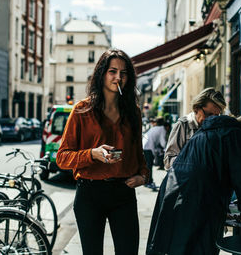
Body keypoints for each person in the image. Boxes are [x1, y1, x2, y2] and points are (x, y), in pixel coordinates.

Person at [56, 49, 149, 255]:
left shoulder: (133, 111)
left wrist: (143, 175)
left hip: (123, 192)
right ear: (102, 73)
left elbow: (137, 152)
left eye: (123, 73)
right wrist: (92, 154)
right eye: (112, 71)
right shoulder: (82, 110)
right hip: (90, 194)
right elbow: (62, 158)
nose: (118, 77)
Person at [146, 115, 241, 255]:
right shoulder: (237, 135)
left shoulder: (208, 131)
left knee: (177, 244)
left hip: (174, 189)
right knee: (201, 246)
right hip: (200, 197)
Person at [163, 87, 226, 170]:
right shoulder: (183, 125)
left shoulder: (218, 127)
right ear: (196, 108)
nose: (212, 119)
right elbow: (168, 161)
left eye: (216, 116)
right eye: (208, 115)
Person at [143, 117, 167, 190]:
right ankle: (148, 181)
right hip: (148, 146)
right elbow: (163, 142)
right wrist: (165, 149)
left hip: (145, 144)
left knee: (148, 165)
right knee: (149, 165)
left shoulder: (154, 128)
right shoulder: (162, 129)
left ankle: (147, 181)